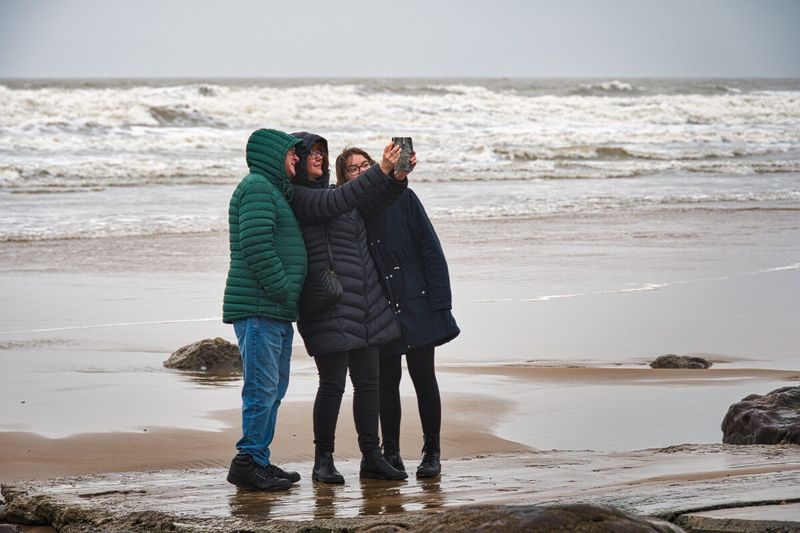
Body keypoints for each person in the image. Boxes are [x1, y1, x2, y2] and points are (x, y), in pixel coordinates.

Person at [289, 132, 410, 484]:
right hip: (330, 303)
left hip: (366, 300)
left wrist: (397, 176)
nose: (318, 156)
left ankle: (371, 456)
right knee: (332, 385)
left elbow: (372, 199)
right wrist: (381, 169)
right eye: (310, 151)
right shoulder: (300, 198)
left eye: (321, 152)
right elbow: (341, 200)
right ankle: (322, 459)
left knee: (369, 384)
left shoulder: (335, 195)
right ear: (295, 158)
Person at [336, 146, 460, 478]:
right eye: (353, 169)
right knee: (387, 384)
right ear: (343, 177)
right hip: (379, 309)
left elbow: (430, 249)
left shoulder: (404, 198)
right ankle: (391, 451)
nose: (361, 172)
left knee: (424, 379)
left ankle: (431, 452)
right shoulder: (349, 209)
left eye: (366, 165)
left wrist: (440, 301)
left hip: (416, 301)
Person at [222, 128, 306, 492]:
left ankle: (258, 459)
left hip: (274, 310)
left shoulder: (271, 190)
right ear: (274, 154)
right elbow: (255, 246)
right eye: (292, 152)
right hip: (260, 307)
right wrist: (283, 288)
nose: (298, 159)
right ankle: (247, 463)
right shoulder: (257, 187)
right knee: (261, 389)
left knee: (274, 388)